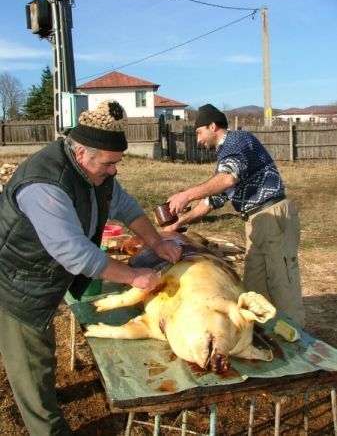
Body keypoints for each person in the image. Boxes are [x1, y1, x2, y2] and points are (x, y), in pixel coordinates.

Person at [0, 100, 181, 436]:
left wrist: (157, 242)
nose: (115, 170)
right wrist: (133, 276)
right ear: (82, 154)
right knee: (30, 359)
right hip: (15, 281)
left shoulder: (93, 170)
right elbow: (76, 254)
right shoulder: (46, 184)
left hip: (43, 273)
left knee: (41, 353)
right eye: (110, 163)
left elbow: (125, 206)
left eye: (117, 162)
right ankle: (47, 426)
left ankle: (43, 393)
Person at [165, 103, 305, 328]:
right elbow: (213, 200)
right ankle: (264, 333)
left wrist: (186, 195)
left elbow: (228, 179)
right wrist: (179, 223)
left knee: (282, 282)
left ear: (212, 126)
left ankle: (298, 345)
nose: (198, 140)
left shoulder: (238, 140)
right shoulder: (226, 156)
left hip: (273, 215)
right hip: (255, 221)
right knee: (255, 287)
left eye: (199, 132)